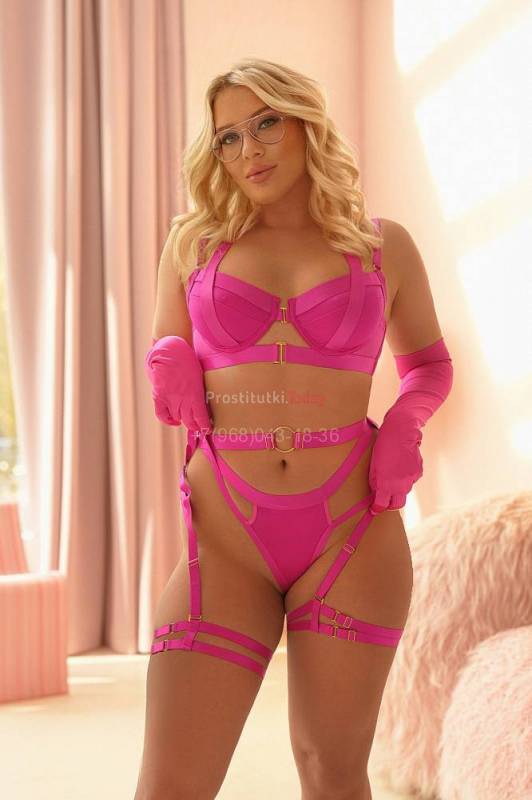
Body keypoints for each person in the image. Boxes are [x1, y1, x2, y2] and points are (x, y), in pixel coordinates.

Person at [135, 57, 453, 800]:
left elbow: (429, 365)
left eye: (267, 123)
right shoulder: (193, 244)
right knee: (170, 784)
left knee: (330, 771)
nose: (249, 149)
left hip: (352, 532)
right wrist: (168, 357)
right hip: (227, 539)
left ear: (306, 122)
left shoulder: (383, 246)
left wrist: (405, 422)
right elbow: (166, 341)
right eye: (229, 137)